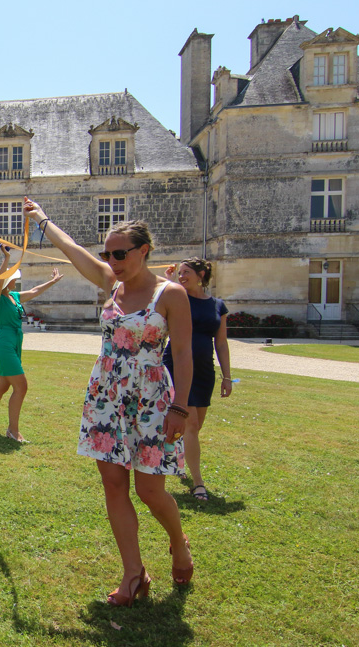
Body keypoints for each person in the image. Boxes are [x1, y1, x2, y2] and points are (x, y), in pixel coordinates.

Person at [24, 197, 195, 605]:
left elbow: (185, 355)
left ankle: (179, 541)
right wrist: (42, 220)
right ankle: (134, 574)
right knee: (113, 485)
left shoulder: (170, 294)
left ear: (144, 251)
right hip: (106, 396)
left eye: (120, 253)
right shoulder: (110, 283)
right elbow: (73, 251)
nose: (112, 260)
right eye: (108, 253)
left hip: (152, 399)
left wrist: (180, 408)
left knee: (152, 492)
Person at [0, 245, 63, 442]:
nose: (17, 279)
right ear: (8, 279)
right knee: (21, 387)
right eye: (14, 277)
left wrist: (52, 281)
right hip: (5, 344)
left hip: (14, 342)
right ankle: (13, 431)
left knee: (2, 386)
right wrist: (6, 259)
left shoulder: (14, 296)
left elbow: (34, 290)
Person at [163, 258, 232, 502]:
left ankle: (178, 456)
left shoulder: (218, 306)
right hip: (177, 365)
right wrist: (170, 281)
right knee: (190, 423)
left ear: (201, 274)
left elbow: (221, 343)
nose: (182, 276)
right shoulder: (176, 297)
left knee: (195, 426)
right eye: (179, 273)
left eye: (186, 273)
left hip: (204, 370)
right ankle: (198, 483)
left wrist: (227, 377)